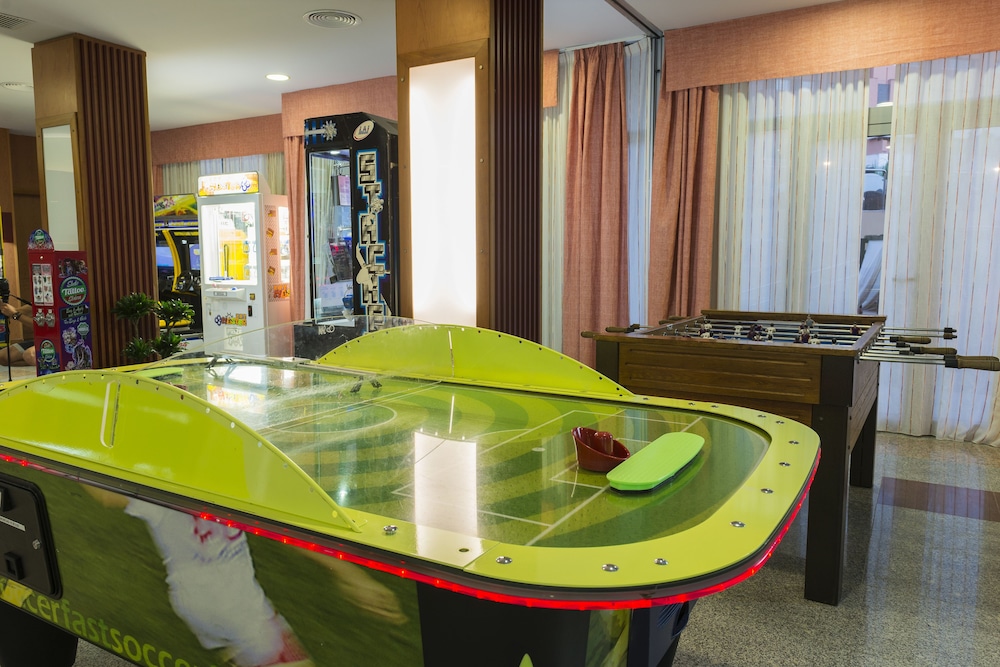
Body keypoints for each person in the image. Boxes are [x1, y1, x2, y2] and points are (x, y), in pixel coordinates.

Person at [0, 301, 35, 367]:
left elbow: (39, 327)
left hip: (55, 340)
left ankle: (53, 362)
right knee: (2, 357)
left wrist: (15, 314)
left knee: (30, 355)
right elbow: (26, 310)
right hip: (39, 340)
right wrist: (4, 308)